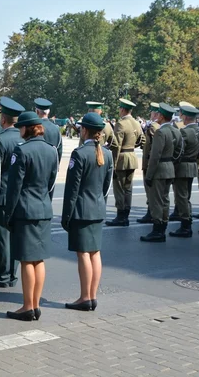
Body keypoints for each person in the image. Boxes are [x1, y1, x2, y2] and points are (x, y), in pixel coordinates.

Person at [3, 111, 58, 321]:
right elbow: (51, 183)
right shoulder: (52, 150)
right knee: (38, 260)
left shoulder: (22, 151)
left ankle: (27, 306)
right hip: (43, 208)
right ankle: (35, 304)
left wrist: (9, 213)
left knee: (26, 260)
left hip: (25, 210)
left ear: (26, 128)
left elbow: (14, 187)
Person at [61, 113, 113, 311]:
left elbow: (72, 190)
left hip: (82, 211)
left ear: (84, 130)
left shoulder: (79, 154)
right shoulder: (107, 154)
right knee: (95, 253)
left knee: (83, 254)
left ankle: (84, 297)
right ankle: (92, 296)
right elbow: (106, 186)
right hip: (97, 208)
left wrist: (67, 216)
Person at [0, 97, 25, 288]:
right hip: (18, 196)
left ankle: (1, 275)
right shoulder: (23, 138)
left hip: (2, 195)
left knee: (1, 238)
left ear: (3, 119)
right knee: (14, 236)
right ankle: (11, 274)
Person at [140, 103, 182, 242]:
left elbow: (155, 155)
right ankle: (163, 226)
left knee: (156, 201)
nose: (156, 116)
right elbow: (179, 151)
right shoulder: (176, 130)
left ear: (162, 116)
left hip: (159, 169)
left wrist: (149, 175)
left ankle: (157, 230)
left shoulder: (160, 132)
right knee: (165, 200)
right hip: (170, 168)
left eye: (158, 114)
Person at [169, 105, 199, 238]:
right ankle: (186, 222)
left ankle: (186, 225)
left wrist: (174, 164)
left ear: (185, 116)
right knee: (186, 196)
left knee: (182, 197)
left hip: (183, 167)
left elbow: (178, 152)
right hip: (193, 165)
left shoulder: (184, 132)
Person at [106, 99, 144, 227]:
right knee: (128, 189)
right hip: (132, 157)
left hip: (122, 158)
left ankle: (121, 216)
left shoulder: (121, 123)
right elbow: (142, 140)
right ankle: (125, 214)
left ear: (122, 109)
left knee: (119, 189)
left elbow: (116, 145)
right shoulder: (136, 123)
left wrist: (114, 165)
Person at [137, 103, 160, 224]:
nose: (150, 114)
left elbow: (153, 146)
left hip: (150, 161)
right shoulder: (156, 126)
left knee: (150, 189)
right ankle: (151, 211)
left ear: (155, 113)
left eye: (152, 112)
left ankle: (151, 212)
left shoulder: (153, 127)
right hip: (150, 160)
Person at [34, 98, 63, 165]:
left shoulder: (34, 127)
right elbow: (59, 150)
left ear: (37, 112)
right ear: (48, 112)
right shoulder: (56, 128)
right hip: (51, 165)